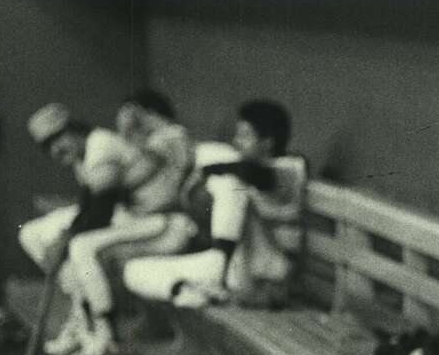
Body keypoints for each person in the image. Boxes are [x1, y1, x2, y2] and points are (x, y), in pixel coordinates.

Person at [18, 96, 196, 355]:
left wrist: (66, 241)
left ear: (74, 129)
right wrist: (66, 238)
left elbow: (100, 211)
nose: (55, 151)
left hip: (166, 222)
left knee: (81, 247)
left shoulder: (100, 145)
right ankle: (84, 325)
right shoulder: (84, 155)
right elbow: (89, 205)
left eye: (58, 140)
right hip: (140, 221)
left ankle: (106, 337)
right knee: (69, 247)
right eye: (48, 146)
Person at [122, 99, 305, 310]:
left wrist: (206, 172)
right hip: (237, 268)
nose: (237, 141)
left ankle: (216, 272)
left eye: (245, 136)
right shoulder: (247, 169)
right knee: (133, 270)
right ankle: (187, 293)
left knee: (230, 181)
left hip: (271, 271)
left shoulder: (291, 168)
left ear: (267, 143)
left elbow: (250, 173)